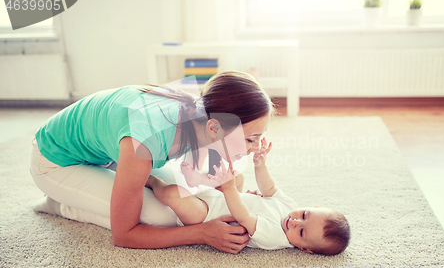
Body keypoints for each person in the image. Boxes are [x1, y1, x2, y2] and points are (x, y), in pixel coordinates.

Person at [30, 71, 272, 254]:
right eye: (251, 139)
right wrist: (202, 234)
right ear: (215, 128)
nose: (255, 148)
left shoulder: (200, 113)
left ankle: (87, 193)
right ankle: (61, 203)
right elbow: (125, 236)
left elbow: (216, 179)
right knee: (164, 217)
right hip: (56, 163)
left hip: (108, 155)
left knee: (186, 197)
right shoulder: (147, 139)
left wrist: (245, 200)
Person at [148, 137, 351, 255]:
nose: (295, 221)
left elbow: (245, 218)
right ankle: (198, 179)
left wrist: (228, 190)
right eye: (305, 215)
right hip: (225, 197)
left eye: (301, 232)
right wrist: (260, 164)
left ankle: (152, 181)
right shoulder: (290, 206)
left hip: (208, 215)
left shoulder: (276, 237)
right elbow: (269, 187)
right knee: (238, 176)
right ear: (313, 206)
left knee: (172, 194)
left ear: (305, 249)